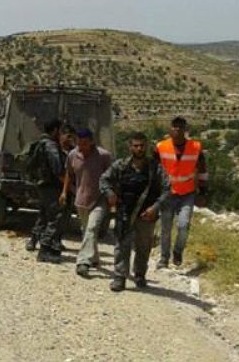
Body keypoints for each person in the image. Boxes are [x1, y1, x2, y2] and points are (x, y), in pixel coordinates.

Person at [100, 132, 170, 292]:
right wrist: (109, 193)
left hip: (147, 214)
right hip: (125, 212)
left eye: (142, 146)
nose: (139, 149)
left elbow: (167, 189)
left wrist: (155, 207)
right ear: (130, 147)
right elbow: (104, 179)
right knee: (122, 245)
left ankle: (139, 274)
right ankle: (119, 276)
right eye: (136, 146)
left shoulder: (155, 168)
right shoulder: (121, 165)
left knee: (143, 246)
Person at [154, 117, 209, 268]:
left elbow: (203, 171)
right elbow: (153, 170)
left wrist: (203, 192)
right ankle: (164, 259)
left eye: (180, 127)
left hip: (187, 193)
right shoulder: (160, 147)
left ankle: (178, 251)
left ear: (185, 129)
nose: (177, 129)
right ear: (170, 128)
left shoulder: (196, 147)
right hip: (167, 193)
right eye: (174, 126)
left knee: (183, 225)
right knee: (165, 228)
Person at [61, 128, 113, 277]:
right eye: (79, 143)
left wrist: (112, 195)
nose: (82, 146)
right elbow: (68, 174)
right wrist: (64, 192)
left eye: (85, 143)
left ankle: (83, 262)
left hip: (99, 199)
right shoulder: (73, 155)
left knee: (91, 228)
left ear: (91, 142)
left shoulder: (104, 156)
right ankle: (94, 257)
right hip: (81, 198)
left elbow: (112, 176)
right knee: (87, 230)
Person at [26, 119, 67, 263]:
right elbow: (58, 169)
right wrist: (68, 186)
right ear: (55, 130)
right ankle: (44, 250)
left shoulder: (40, 143)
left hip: (41, 185)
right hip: (51, 186)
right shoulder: (51, 146)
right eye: (60, 130)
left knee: (43, 214)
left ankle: (33, 240)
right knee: (56, 216)